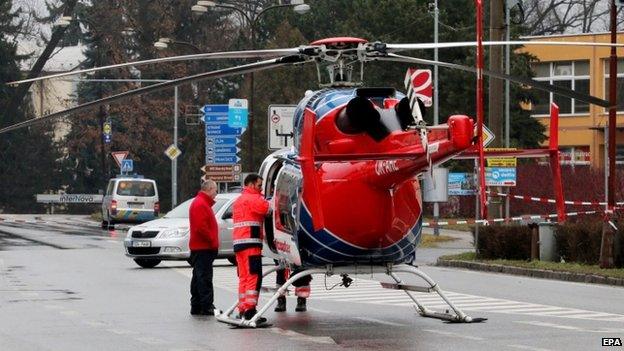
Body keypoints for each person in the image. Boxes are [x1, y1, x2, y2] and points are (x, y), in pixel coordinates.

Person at [232, 174, 271, 322]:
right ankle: (250, 310)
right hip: (251, 243)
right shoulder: (254, 199)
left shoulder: (239, 200)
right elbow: (267, 210)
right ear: (252, 184)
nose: (261, 189)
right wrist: (270, 199)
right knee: (254, 277)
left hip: (239, 244)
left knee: (244, 277)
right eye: (259, 185)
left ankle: (242, 308)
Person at [188, 178, 219, 316]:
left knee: (198, 277)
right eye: (215, 190)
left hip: (201, 247)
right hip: (203, 247)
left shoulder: (200, 203)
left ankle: (197, 305)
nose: (216, 194)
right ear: (210, 189)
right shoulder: (201, 204)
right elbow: (202, 227)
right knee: (204, 278)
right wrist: (212, 241)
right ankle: (206, 306)